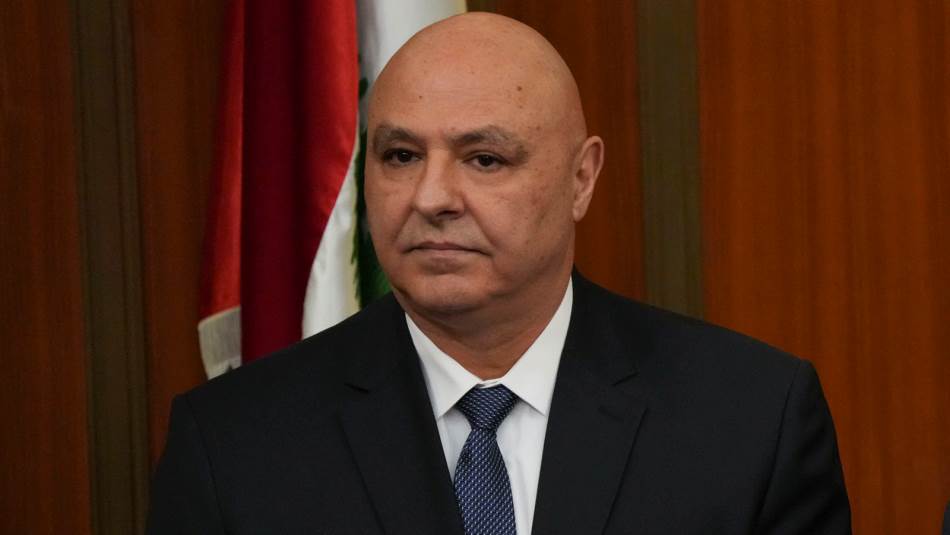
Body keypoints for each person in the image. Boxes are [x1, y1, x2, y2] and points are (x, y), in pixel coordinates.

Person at [147, 12, 851, 534]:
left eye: (484, 159)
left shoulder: (752, 422)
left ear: (581, 178)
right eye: (400, 156)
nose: (431, 198)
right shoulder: (233, 445)